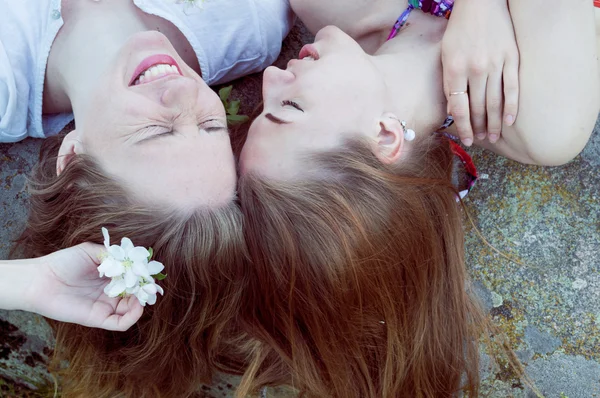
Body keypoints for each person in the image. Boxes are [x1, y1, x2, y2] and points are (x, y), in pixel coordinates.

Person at [234, 0, 600, 396]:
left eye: (262, 107)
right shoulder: (543, 121)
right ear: (385, 137)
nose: (270, 75)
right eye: (289, 106)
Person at [1, 0, 293, 396]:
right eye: (210, 124)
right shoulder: (249, 22)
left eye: (156, 131)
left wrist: (27, 283)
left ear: (73, 162)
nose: (186, 92)